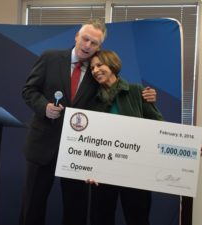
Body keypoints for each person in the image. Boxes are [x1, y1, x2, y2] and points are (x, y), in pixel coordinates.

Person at [20, 19, 157, 225]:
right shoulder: (50, 57)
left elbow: (117, 91)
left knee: (76, 209)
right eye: (85, 39)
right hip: (43, 144)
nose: (87, 46)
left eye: (94, 43)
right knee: (33, 206)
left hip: (79, 151)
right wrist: (44, 107)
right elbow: (28, 90)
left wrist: (147, 95)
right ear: (77, 36)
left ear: (99, 46)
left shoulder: (97, 72)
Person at [88, 50, 164, 225]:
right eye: (92, 68)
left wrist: (184, 149)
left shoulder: (137, 91)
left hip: (135, 170)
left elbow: (158, 125)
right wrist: (88, 167)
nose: (95, 70)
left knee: (138, 218)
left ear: (113, 65)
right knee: (101, 219)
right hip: (103, 170)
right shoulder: (92, 99)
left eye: (100, 65)